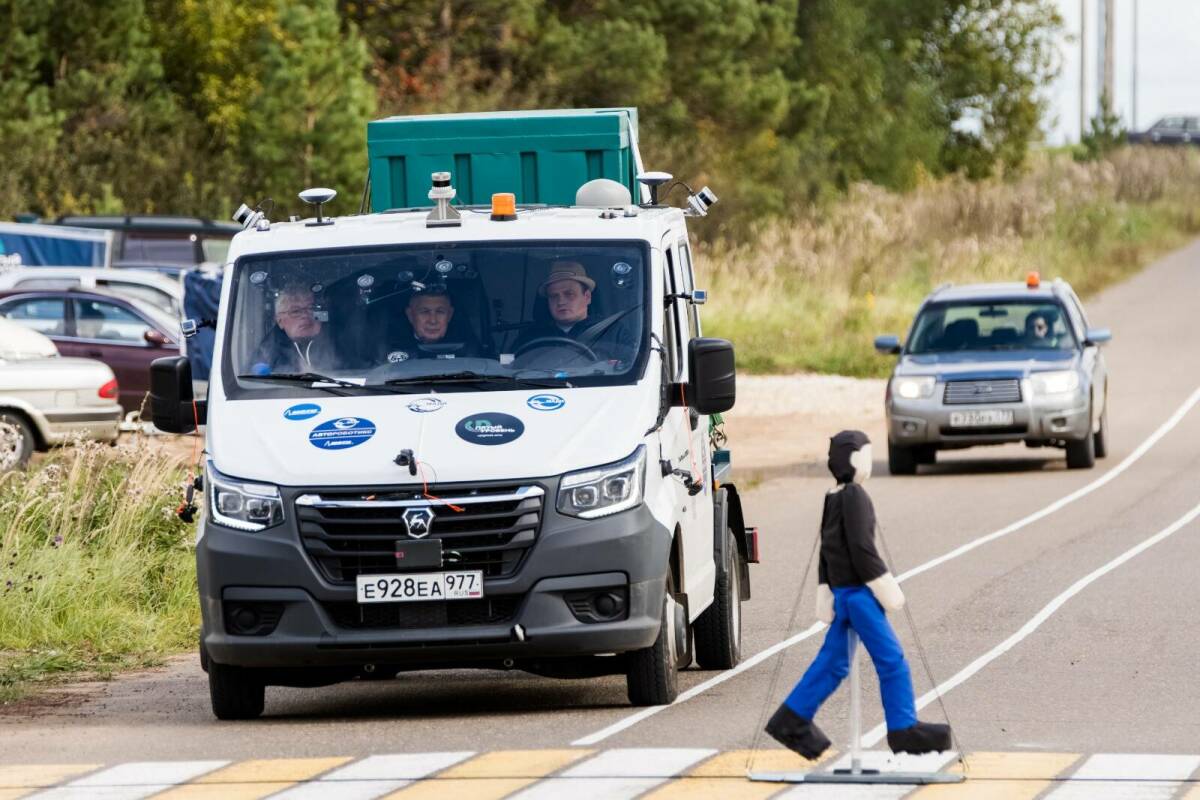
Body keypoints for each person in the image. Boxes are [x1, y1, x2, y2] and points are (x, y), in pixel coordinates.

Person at [765, 430, 952, 759]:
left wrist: (826, 593)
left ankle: (791, 719)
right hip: (861, 596)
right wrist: (887, 588)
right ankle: (903, 728)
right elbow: (862, 549)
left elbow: (826, 550)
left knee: (833, 663)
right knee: (892, 660)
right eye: (866, 455)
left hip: (843, 594)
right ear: (855, 459)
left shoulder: (832, 495)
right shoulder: (855, 496)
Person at [514, 261, 634, 361]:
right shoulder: (530, 337)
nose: (561, 301)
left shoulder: (614, 332)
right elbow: (509, 370)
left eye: (569, 294)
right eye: (554, 296)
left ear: (587, 297)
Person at [250, 286, 341, 373]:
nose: (305, 315)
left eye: (310, 308)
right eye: (295, 311)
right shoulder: (268, 353)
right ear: (280, 321)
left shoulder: (337, 340)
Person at [383, 285, 480, 363]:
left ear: (450, 315)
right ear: (410, 315)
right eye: (424, 312)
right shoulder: (388, 347)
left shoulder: (468, 349)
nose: (433, 321)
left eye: (440, 312)